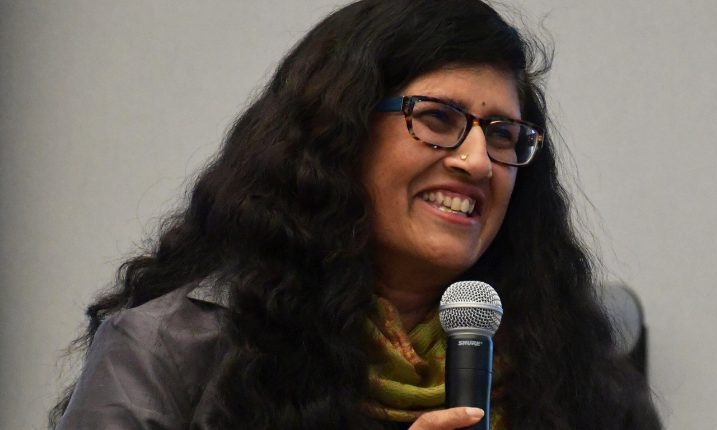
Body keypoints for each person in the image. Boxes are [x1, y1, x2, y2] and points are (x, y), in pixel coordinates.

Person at [51, 0, 662, 429]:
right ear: (340, 132)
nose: (477, 161)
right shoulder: (170, 353)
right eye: (438, 119)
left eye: (503, 134)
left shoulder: (588, 382)